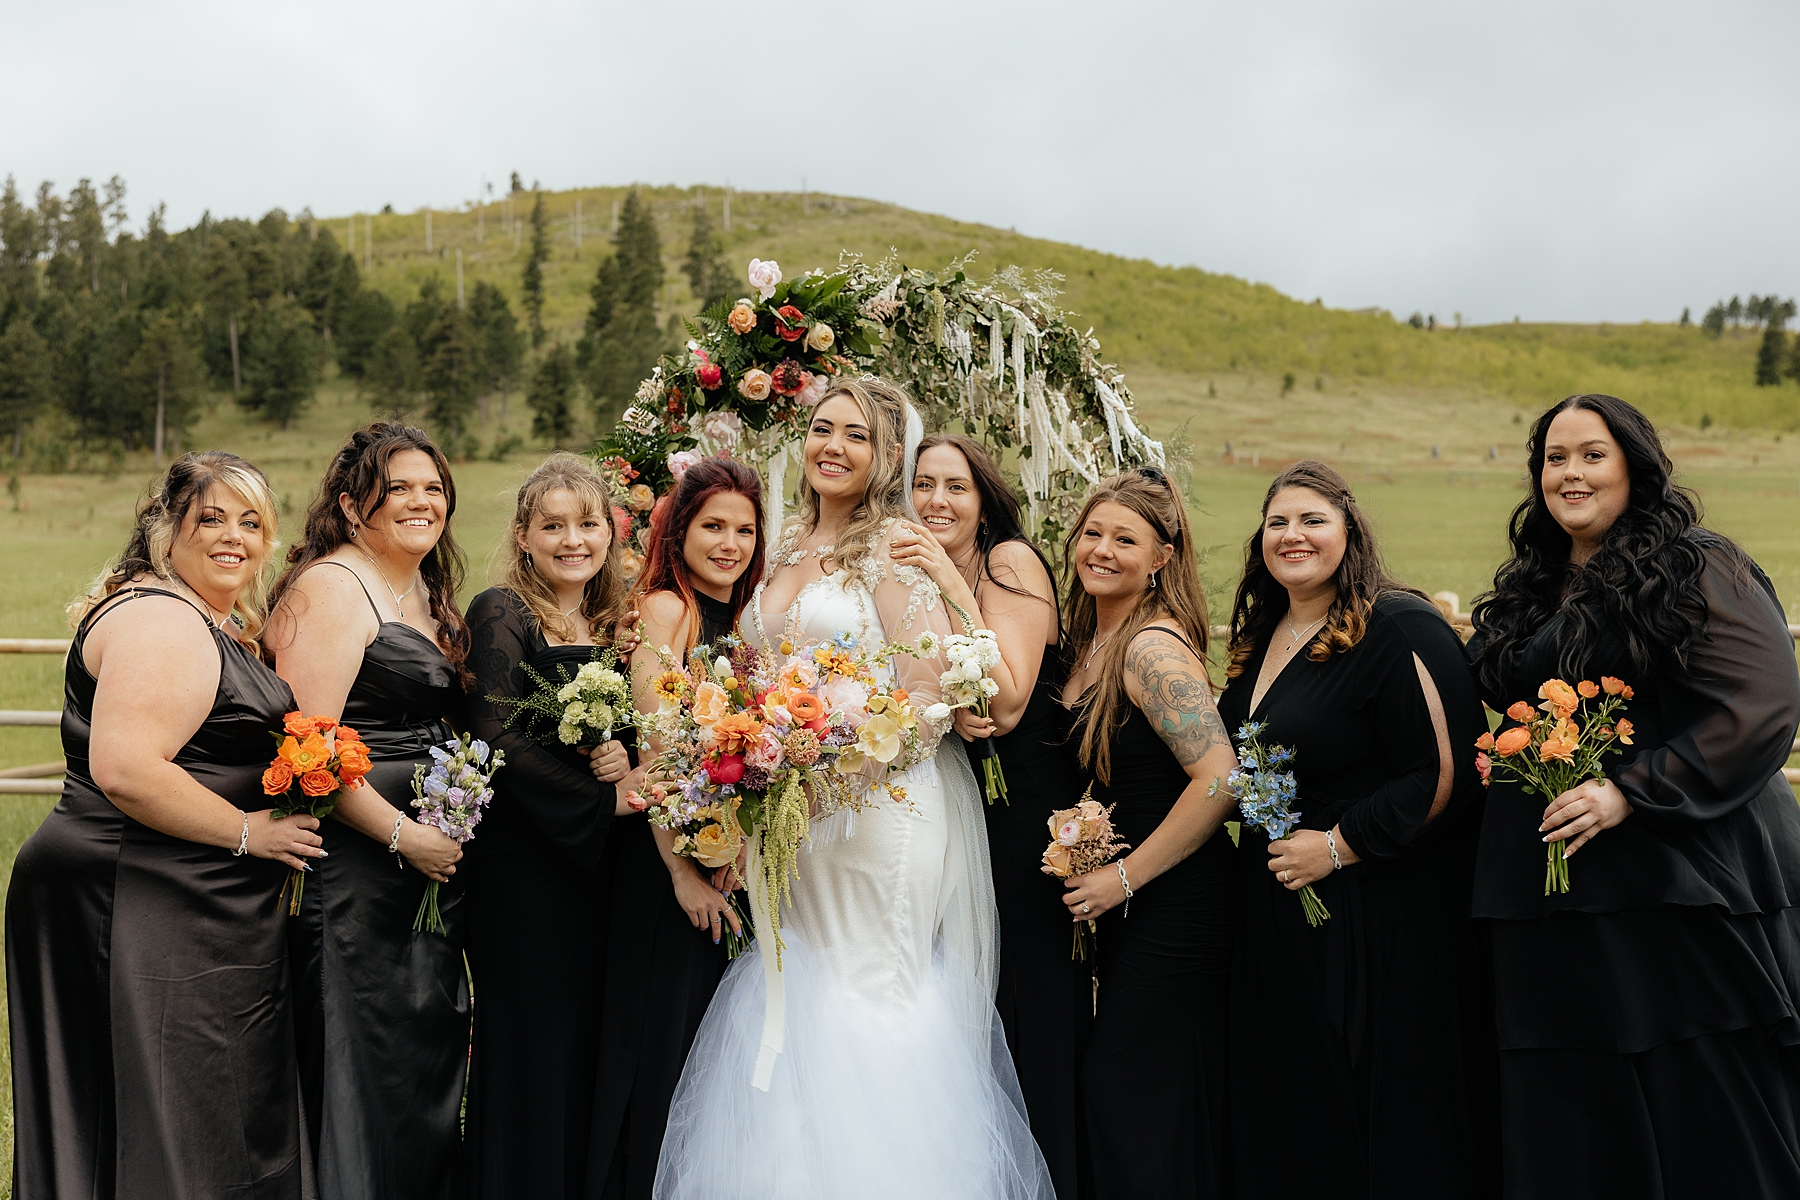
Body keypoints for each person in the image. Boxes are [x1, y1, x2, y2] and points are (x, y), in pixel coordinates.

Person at [653, 378, 1053, 1199]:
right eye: (822, 429)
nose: (833, 447)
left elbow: (928, 696)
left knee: (871, 988)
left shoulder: (897, 548)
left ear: (886, 458)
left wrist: (828, 782)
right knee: (798, 987)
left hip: (880, 811)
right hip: (791, 811)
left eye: (857, 436)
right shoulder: (788, 540)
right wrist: (755, 764)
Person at [1466, 393, 1800, 1199]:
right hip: (1552, 899)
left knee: (1693, 1100)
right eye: (1554, 458)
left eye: (1591, 454)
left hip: (1672, 884)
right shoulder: (1532, 584)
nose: (1569, 473)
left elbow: (1761, 704)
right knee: (1577, 1106)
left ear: (1634, 466)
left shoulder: (1694, 563)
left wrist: (1627, 792)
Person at [8, 452, 324, 1198]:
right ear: (165, 528)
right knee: (154, 1112)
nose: (234, 538)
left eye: (251, 523)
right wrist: (253, 832)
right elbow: (127, 769)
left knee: (184, 1108)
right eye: (210, 518)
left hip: (177, 889)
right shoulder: (161, 618)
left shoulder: (199, 615)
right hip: (132, 892)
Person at [1215, 459, 1495, 1198]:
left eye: (1313, 520)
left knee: (1379, 1091)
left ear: (1350, 531)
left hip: (1379, 908)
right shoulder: (1265, 635)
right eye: (1277, 522)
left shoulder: (1397, 623)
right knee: (1302, 1095)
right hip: (1282, 904)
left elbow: (1446, 771)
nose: (1292, 535)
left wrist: (1339, 847)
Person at [266, 422, 472, 1200]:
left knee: (418, 1063)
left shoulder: (419, 587)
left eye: (432, 486)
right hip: (357, 876)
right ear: (355, 507)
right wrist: (404, 835)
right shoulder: (330, 586)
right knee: (358, 1064)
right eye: (400, 488)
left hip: (426, 874)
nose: (421, 501)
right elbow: (306, 749)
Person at [890, 434, 1089, 1199]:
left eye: (956, 487)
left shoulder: (1009, 563)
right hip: (948, 797)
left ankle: (1053, 1174)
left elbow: (1005, 701)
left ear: (984, 501)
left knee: (1027, 998)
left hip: (1022, 806)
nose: (938, 501)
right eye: (924, 485)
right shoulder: (898, 571)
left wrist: (946, 573)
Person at [1054, 468, 1239, 1199]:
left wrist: (1120, 878)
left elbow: (1220, 778)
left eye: (1124, 540)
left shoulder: (1150, 649)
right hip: (1131, 905)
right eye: (1092, 533)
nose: (1102, 550)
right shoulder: (1091, 638)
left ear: (1161, 557)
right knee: (1145, 1091)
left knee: (1123, 1085)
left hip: (1178, 904)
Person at [589, 455, 767, 1199]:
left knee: (709, 1051)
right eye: (713, 526)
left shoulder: (746, 620)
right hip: (668, 870)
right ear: (680, 532)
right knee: (660, 1047)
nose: (729, 543)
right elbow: (659, 756)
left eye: (745, 530)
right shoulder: (668, 610)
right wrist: (683, 872)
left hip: (728, 860)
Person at [462, 454, 637, 1199]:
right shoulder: (503, 610)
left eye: (588, 523)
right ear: (524, 535)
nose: (573, 539)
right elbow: (494, 734)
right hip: (525, 869)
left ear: (610, 533)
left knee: (592, 1043)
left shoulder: (617, 623)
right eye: (554, 525)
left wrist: (624, 756)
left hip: (603, 869)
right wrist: (601, 799)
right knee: (534, 1041)